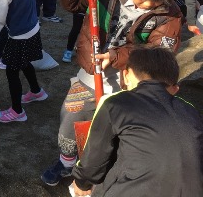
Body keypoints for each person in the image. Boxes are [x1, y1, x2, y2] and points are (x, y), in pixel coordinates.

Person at [41, 0, 183, 187]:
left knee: (113, 131)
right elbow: (72, 3)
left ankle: (105, 171)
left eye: (155, 1)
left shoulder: (170, 15)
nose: (147, 5)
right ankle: (67, 162)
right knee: (71, 115)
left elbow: (160, 53)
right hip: (91, 72)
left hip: (131, 80)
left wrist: (118, 56)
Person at [72, 47, 203, 197]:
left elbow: (94, 160)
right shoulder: (191, 111)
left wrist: (81, 182)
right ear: (175, 89)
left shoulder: (117, 103)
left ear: (126, 75)